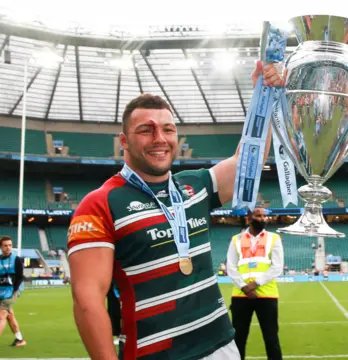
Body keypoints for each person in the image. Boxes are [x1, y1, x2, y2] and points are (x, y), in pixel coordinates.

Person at [67, 61, 285, 360]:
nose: (160, 138)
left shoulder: (194, 186)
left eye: (168, 129)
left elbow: (249, 162)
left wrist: (264, 95)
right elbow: (87, 299)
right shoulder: (100, 203)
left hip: (222, 346)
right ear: (123, 141)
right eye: (146, 130)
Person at [226, 205, 284, 360]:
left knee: (271, 338)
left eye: (264, 216)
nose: (263, 219)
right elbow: (230, 266)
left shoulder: (274, 238)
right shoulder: (236, 239)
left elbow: (277, 267)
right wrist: (244, 287)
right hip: (240, 295)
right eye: (259, 215)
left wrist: (253, 285)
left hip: (267, 295)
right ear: (249, 218)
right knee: (238, 339)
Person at [0, 236, 26, 346]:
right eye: (5, 245)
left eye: (10, 245)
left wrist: (14, 291)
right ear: (1, 247)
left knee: (1, 315)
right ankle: (20, 339)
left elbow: (20, 277)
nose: (8, 247)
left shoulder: (16, 259)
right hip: (2, 291)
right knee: (10, 316)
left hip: (12, 291)